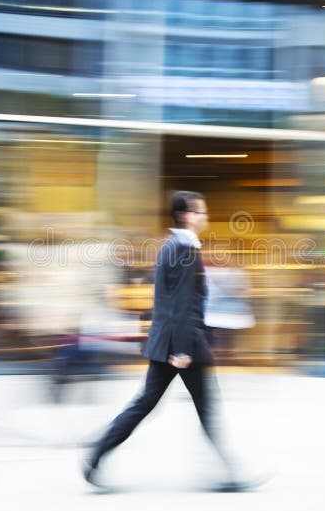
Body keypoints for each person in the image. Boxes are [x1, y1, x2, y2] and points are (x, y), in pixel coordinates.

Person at [82, 191, 247, 491]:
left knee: (148, 404)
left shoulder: (172, 246)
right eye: (200, 212)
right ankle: (228, 474)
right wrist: (182, 349)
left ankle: (95, 457)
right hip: (183, 346)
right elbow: (180, 303)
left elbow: (168, 301)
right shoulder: (183, 249)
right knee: (202, 408)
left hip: (172, 343)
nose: (204, 216)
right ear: (186, 215)